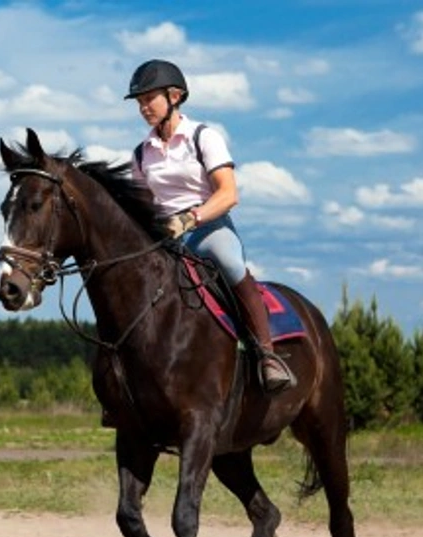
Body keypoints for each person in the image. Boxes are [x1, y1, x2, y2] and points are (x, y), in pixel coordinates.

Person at [124, 59, 295, 394]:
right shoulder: (141, 153)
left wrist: (189, 218)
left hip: (207, 228)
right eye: (140, 102)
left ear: (175, 96)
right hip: (164, 237)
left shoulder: (203, 137)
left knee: (230, 263)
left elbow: (229, 193)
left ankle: (266, 354)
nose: (144, 107)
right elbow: (141, 206)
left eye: (149, 99)